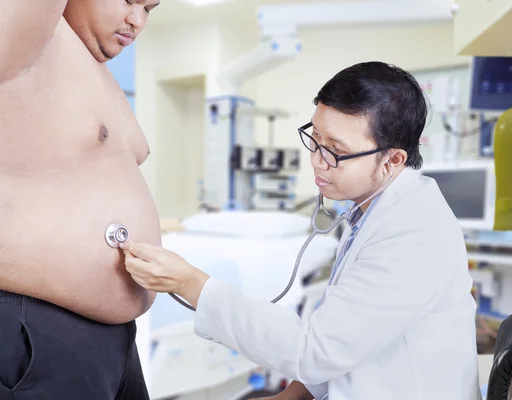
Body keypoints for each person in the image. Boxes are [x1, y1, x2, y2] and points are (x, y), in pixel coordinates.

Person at [121, 62, 482, 399]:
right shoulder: (373, 208)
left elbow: (318, 350)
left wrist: (191, 284)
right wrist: (291, 396)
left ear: (392, 160)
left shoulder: (411, 232)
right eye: (315, 139)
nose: (317, 160)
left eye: (335, 151)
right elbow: (345, 337)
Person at [0, 1, 160, 399]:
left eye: (149, 8)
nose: (137, 21)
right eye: (128, 0)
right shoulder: (28, 37)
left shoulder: (96, 72)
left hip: (114, 341)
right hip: (35, 327)